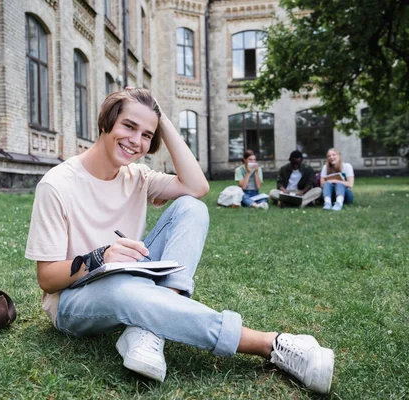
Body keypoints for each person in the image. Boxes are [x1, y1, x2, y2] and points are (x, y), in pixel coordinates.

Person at [25, 89, 334, 394]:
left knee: (192, 208)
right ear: (105, 122)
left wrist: (164, 122)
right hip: (73, 300)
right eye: (129, 126)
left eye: (147, 135)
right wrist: (101, 257)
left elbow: (197, 187)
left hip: (132, 277)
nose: (136, 141)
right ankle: (270, 344)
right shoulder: (57, 184)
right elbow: (48, 278)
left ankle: (149, 331)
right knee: (124, 289)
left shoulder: (137, 176)